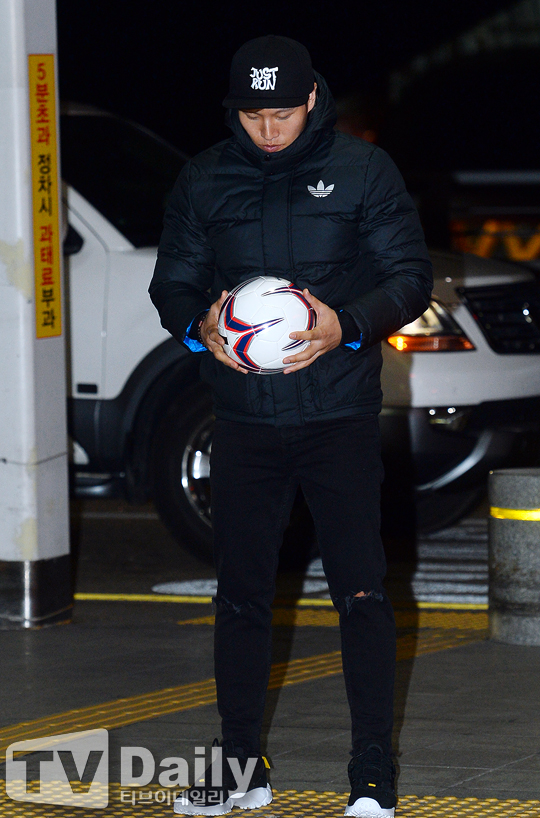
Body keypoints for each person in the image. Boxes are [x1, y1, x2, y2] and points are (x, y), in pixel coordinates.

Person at [149, 35, 432, 818]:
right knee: (240, 598)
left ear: (311, 99)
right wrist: (199, 328)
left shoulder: (364, 170)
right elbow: (173, 282)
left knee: (362, 593)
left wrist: (348, 324)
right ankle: (243, 772)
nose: (268, 130)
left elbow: (410, 277)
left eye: (282, 113)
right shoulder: (205, 177)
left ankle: (371, 775)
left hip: (338, 416)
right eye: (252, 116)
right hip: (244, 420)